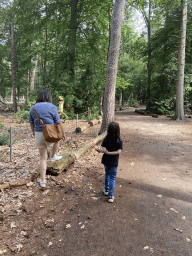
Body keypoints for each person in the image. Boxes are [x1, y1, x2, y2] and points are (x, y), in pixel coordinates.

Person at [29, 89, 65, 188]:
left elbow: (31, 123)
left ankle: (43, 181)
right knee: (58, 139)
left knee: (42, 158)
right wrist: (62, 131)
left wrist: (34, 133)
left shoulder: (33, 108)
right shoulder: (52, 107)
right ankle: (53, 155)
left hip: (39, 133)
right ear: (48, 97)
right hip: (51, 133)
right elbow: (58, 121)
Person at [95, 122, 123, 203]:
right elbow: (118, 152)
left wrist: (101, 151)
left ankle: (107, 189)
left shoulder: (106, 139)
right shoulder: (119, 140)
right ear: (118, 130)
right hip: (114, 161)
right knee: (112, 177)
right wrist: (107, 152)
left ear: (108, 130)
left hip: (106, 160)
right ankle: (110, 195)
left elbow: (104, 150)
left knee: (107, 173)